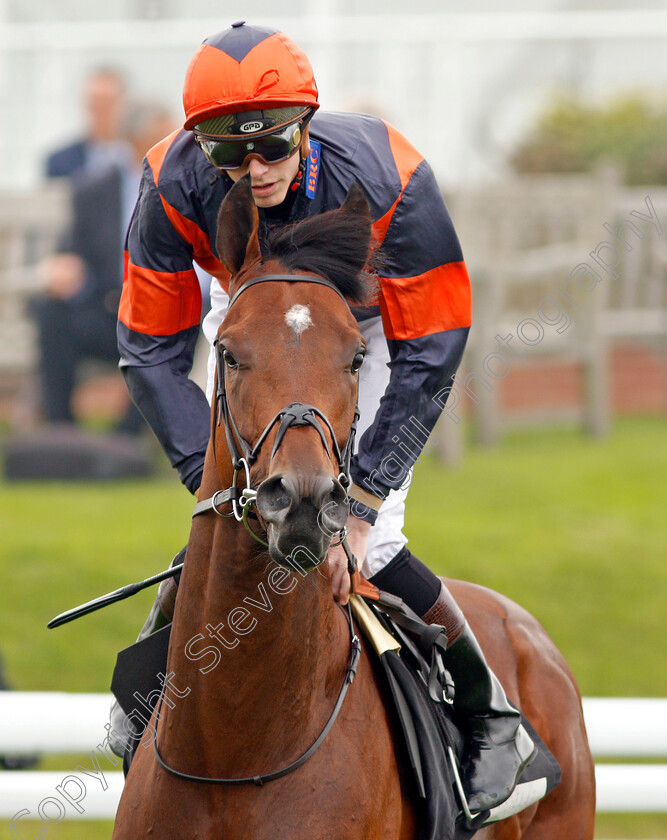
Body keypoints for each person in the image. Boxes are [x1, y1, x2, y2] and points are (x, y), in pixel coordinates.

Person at [113, 22, 535, 812]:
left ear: (306, 123)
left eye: (272, 147)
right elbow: (148, 350)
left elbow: (432, 350)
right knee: (228, 528)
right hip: (250, 308)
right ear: (195, 144)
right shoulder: (168, 184)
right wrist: (206, 483)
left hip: (367, 326)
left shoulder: (392, 176)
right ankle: (142, 697)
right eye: (227, 154)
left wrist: (364, 504)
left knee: (371, 546)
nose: (252, 170)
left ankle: (488, 716)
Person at [31, 101, 175, 432]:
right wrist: (65, 271)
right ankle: (61, 431)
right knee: (49, 312)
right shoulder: (94, 190)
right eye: (163, 138)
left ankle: (125, 440)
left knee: (180, 320)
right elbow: (72, 252)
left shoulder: (186, 186)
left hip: (161, 311)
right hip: (107, 307)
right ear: (137, 141)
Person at [45, 67, 132, 181]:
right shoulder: (61, 161)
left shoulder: (141, 155)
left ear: (124, 104)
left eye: (106, 104)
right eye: (94, 104)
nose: (100, 112)